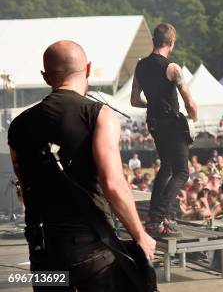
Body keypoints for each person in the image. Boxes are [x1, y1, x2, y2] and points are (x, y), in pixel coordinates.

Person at [8, 40, 156, 289]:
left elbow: (23, 187)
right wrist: (140, 235)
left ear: (46, 77)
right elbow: (112, 183)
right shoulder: (98, 114)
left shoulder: (19, 125)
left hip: (43, 253)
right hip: (91, 251)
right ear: (87, 69)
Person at [131, 23, 198, 237]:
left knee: (167, 168)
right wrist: (194, 119)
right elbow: (190, 103)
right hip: (172, 123)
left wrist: (152, 104)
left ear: (154, 41)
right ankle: (158, 219)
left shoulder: (140, 66)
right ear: (171, 43)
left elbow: (134, 100)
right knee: (181, 171)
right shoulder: (172, 68)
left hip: (154, 123)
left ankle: (155, 216)